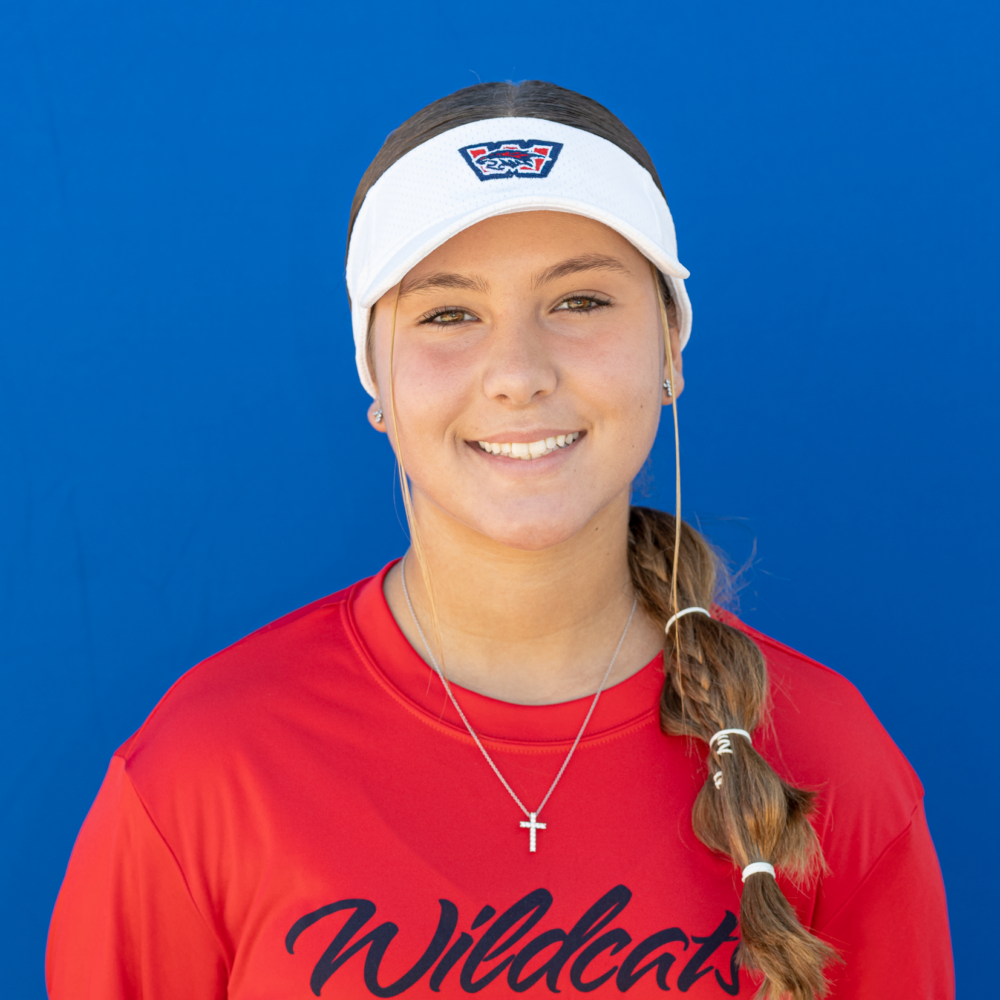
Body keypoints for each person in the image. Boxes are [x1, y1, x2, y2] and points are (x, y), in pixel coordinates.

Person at [46, 81, 953, 1000]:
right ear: (375, 379)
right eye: (448, 314)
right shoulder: (203, 773)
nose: (518, 374)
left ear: (671, 351)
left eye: (581, 301)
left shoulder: (831, 766)